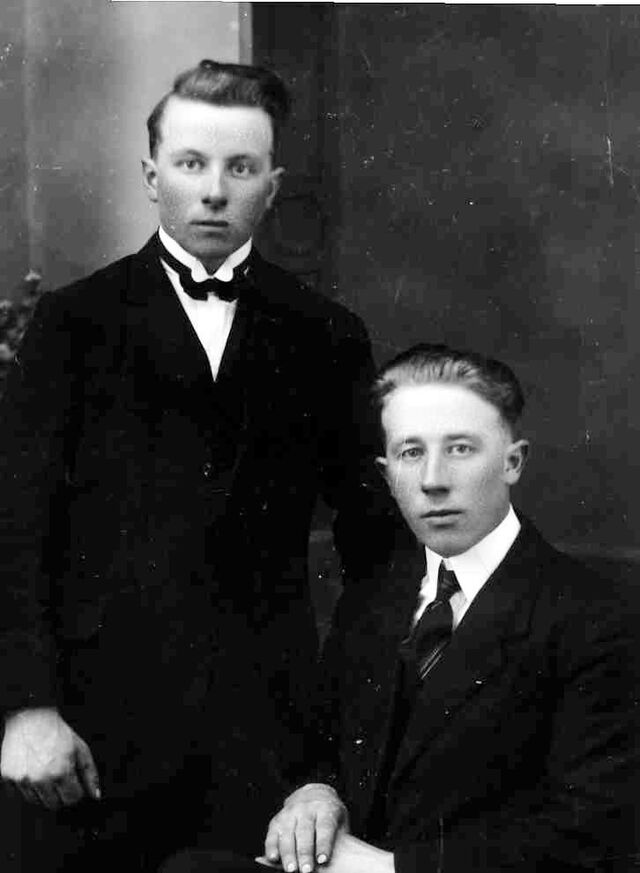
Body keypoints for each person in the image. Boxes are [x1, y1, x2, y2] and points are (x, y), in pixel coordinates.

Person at [0, 59, 378, 871]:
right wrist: (24, 707)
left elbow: (374, 553)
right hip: (88, 741)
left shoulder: (327, 334)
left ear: (271, 186)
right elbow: (13, 526)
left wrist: (325, 761)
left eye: (240, 168)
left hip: (263, 741)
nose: (213, 191)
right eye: (190, 163)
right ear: (152, 176)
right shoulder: (72, 324)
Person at [164, 344, 639, 872]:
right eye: (411, 453)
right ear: (387, 473)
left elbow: (597, 831)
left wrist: (389, 869)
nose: (433, 479)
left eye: (460, 448)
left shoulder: (593, 618)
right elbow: (318, 743)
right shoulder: (375, 596)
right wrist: (316, 793)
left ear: (513, 462)